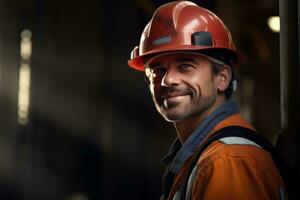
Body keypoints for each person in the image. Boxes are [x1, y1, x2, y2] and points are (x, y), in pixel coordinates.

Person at [128, 1, 287, 200]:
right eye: (157, 70)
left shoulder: (227, 161)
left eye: (185, 65)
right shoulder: (203, 155)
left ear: (222, 78)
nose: (167, 80)